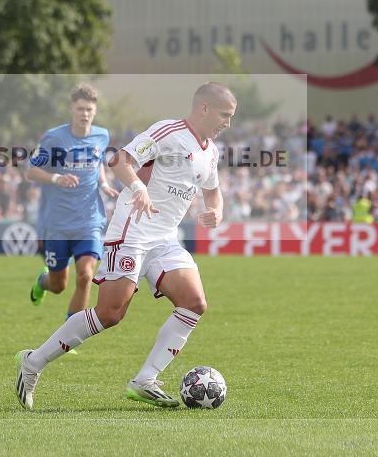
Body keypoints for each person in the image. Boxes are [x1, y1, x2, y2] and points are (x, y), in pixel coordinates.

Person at [15, 82, 236, 410]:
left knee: (194, 303)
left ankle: (145, 379)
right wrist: (138, 188)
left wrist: (215, 210)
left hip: (164, 238)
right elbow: (120, 161)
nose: (227, 124)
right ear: (204, 108)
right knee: (110, 313)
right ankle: (33, 362)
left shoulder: (211, 151)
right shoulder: (168, 131)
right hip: (132, 231)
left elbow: (212, 190)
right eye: (224, 115)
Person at [25, 83, 119, 326]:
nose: (84, 114)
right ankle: (42, 282)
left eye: (89, 109)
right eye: (80, 109)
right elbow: (31, 172)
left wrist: (104, 182)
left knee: (86, 275)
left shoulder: (102, 135)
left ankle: (70, 334)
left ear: (95, 111)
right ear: (71, 109)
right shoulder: (54, 138)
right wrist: (57, 178)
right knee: (58, 285)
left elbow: (98, 160)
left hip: (89, 220)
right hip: (57, 223)